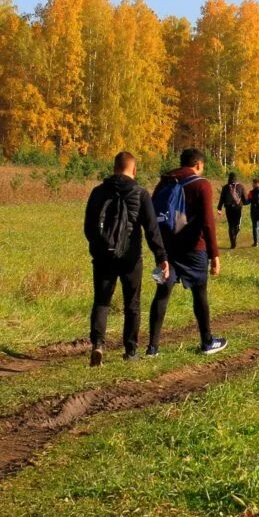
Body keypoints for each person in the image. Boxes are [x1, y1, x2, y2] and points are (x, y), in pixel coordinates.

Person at [83, 152, 170, 367]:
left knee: (102, 301)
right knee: (132, 304)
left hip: (104, 255)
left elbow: (88, 226)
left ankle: (98, 345)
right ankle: (130, 351)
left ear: (114, 168)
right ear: (134, 169)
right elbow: (151, 228)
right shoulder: (140, 194)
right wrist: (161, 257)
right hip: (131, 257)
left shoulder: (98, 192)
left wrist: (97, 247)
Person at [147, 149, 227, 356]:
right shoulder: (202, 185)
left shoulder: (164, 183)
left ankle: (152, 348)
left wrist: (159, 251)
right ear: (198, 165)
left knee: (162, 295)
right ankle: (207, 342)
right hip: (194, 249)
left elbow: (154, 216)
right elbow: (208, 223)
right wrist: (214, 255)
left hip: (168, 250)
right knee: (199, 294)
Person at [216, 172, 247, 249]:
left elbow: (222, 199)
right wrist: (246, 202)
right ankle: (235, 237)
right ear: (236, 178)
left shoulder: (225, 187)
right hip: (238, 208)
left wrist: (219, 208)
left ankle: (232, 242)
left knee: (230, 225)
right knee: (236, 224)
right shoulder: (240, 186)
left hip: (228, 208)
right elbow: (245, 198)